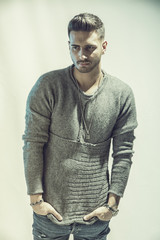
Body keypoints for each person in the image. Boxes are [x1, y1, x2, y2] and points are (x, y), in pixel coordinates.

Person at [22, 13, 138, 240]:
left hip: (95, 216)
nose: (81, 55)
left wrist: (112, 205)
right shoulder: (48, 86)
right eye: (75, 47)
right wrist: (36, 201)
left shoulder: (121, 94)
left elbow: (123, 153)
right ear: (69, 45)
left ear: (104, 46)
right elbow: (32, 143)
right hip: (50, 216)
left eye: (89, 48)